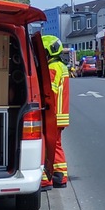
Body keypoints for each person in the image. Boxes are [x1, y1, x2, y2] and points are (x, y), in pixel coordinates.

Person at [41, 35, 71, 189]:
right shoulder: (61, 66)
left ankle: (47, 178)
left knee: (48, 145)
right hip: (60, 114)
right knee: (56, 144)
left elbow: (50, 92)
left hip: (54, 114)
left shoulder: (53, 68)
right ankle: (60, 176)